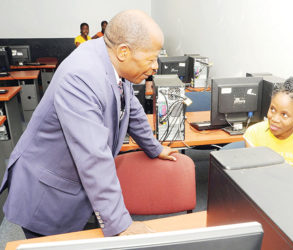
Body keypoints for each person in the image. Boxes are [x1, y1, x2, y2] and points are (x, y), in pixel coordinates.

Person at [0, 10, 180, 238]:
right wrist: (121, 224)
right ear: (124, 51)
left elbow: (131, 107)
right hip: (47, 195)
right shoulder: (81, 76)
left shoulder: (110, 58)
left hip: (72, 186)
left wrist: (155, 148)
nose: (155, 66)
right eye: (151, 58)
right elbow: (93, 156)